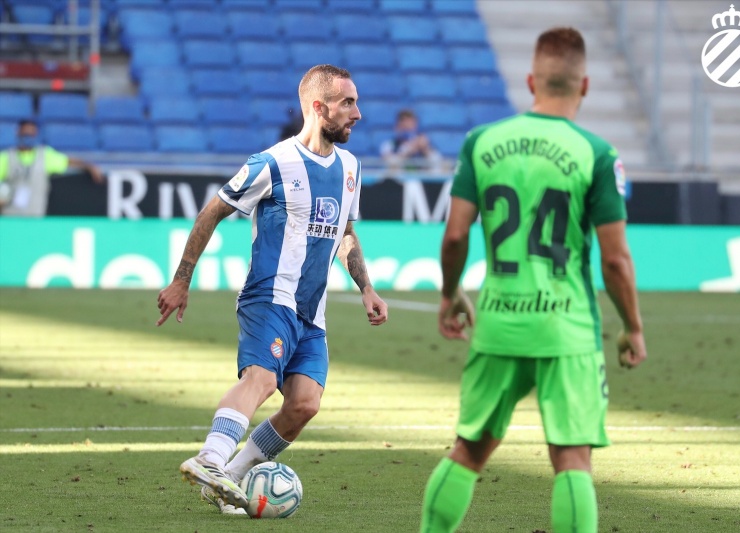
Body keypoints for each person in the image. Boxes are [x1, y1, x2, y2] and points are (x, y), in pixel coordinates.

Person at [419, 27, 647, 533]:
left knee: (469, 450)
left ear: (530, 82)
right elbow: (615, 261)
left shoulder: (482, 142)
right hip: (566, 328)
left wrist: (450, 294)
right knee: (572, 459)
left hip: (499, 322)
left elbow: (454, 236)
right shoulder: (597, 153)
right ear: (584, 85)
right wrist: (633, 326)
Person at [156, 64, 389, 515]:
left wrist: (366, 287)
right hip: (269, 296)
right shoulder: (272, 162)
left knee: (304, 404)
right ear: (318, 107)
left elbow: (345, 233)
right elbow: (212, 212)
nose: (358, 113)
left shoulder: (350, 167)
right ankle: (210, 458)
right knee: (261, 379)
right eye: (348, 103)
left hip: (311, 310)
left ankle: (229, 475)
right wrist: (182, 278)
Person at [0, 119, 104, 216]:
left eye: (31, 135)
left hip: (36, 215)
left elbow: (67, 161)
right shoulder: (6, 157)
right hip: (10, 216)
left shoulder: (45, 155)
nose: (28, 138)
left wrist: (89, 166)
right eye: (25, 134)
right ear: (18, 133)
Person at [380, 109, 442, 173]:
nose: (407, 126)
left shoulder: (424, 143)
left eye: (410, 124)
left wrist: (425, 149)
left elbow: (438, 163)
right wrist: (408, 151)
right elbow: (389, 164)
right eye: (403, 124)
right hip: (401, 177)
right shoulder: (389, 144)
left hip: (422, 176)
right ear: (398, 126)